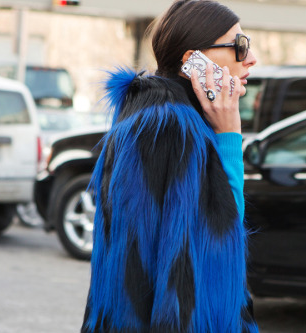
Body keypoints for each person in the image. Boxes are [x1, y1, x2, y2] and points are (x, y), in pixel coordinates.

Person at [81, 0, 258, 332]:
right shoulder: (170, 129)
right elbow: (211, 260)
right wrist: (230, 137)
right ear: (193, 61)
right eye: (238, 45)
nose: (250, 57)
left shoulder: (150, 120)